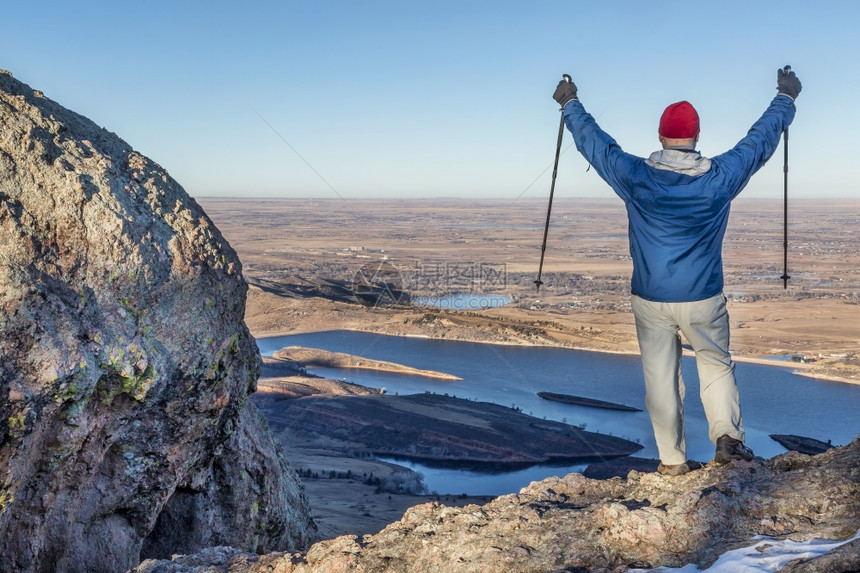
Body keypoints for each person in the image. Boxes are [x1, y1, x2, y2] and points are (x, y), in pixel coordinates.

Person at [552, 67, 801, 476]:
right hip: (703, 296)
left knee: (660, 378)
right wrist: (786, 97)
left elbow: (594, 143)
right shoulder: (721, 177)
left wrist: (570, 102)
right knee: (715, 365)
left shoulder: (636, 176)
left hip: (650, 297)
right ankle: (728, 442)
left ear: (661, 136)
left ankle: (671, 462)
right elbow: (760, 140)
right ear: (696, 137)